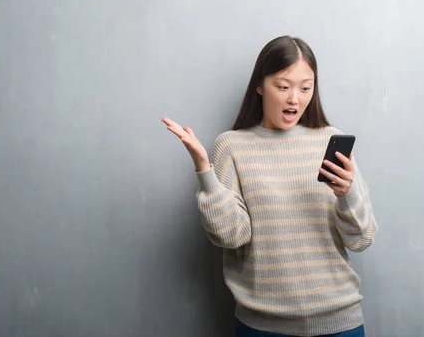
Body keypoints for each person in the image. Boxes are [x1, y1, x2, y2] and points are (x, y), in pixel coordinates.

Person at [161, 35, 377, 337]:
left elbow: (361, 238)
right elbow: (231, 235)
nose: (295, 99)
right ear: (260, 86)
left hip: (339, 321)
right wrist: (204, 169)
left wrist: (346, 195)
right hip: (263, 326)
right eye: (284, 86)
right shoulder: (232, 147)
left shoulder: (330, 140)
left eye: (305, 88)